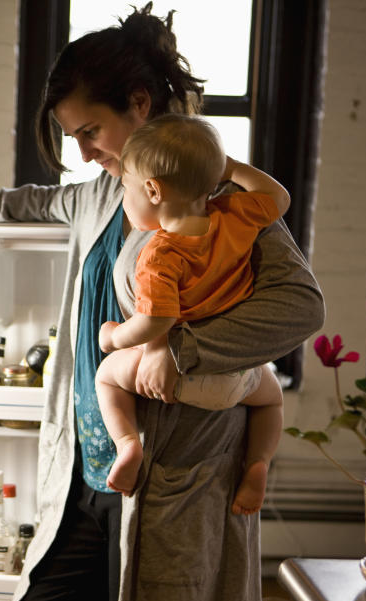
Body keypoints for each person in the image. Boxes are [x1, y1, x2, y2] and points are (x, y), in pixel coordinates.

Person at [0, 4, 323, 601]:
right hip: (87, 476)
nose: (84, 154)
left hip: (176, 482)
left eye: (91, 132)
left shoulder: (216, 202)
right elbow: (34, 199)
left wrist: (183, 353)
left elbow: (300, 306)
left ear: (139, 104)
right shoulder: (103, 193)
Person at [95, 114, 287, 519]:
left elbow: (156, 322)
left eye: (126, 190)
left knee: (108, 376)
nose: (126, 201)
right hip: (235, 376)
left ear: (151, 189)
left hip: (182, 376)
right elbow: (279, 198)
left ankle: (128, 444)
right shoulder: (235, 216)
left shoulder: (160, 253)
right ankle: (259, 463)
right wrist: (232, 169)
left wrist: (113, 337)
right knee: (271, 399)